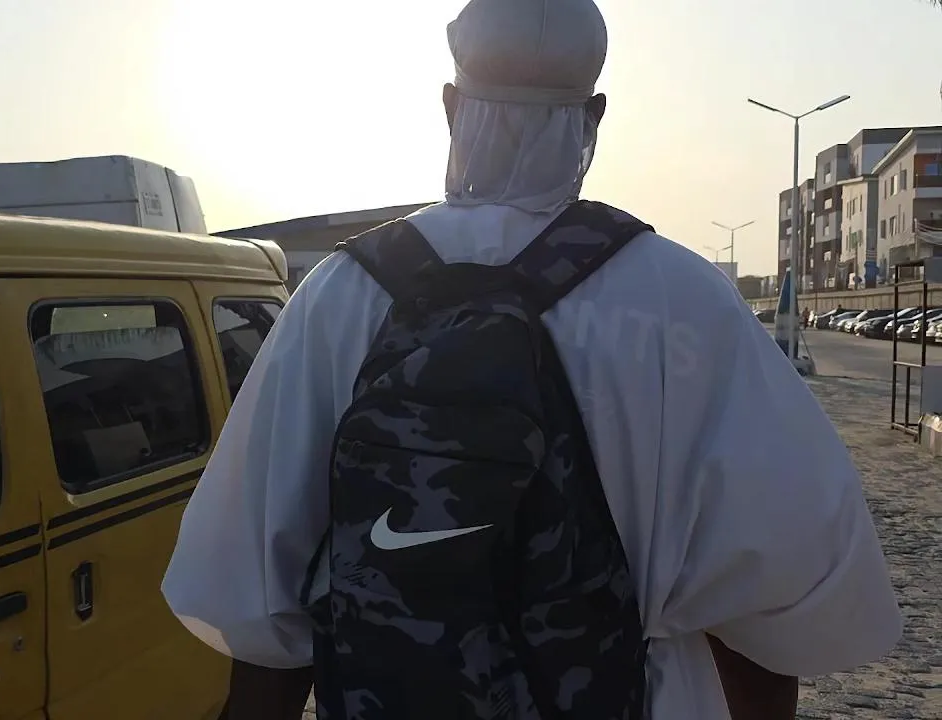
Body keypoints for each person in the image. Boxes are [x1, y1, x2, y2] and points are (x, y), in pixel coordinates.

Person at [162, 0, 902, 717]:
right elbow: (780, 600)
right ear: (594, 115)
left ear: (450, 105)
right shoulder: (685, 300)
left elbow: (255, 602)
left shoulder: (337, 295)